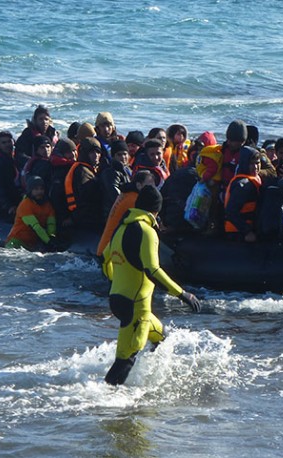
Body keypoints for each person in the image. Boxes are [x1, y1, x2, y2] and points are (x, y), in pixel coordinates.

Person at [102, 185, 201, 386]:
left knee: (161, 338)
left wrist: (115, 281)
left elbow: (105, 259)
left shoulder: (120, 228)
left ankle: (154, 385)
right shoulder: (146, 231)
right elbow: (152, 270)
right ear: (156, 210)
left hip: (117, 299)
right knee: (125, 359)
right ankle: (104, 401)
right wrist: (183, 294)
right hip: (136, 305)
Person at [96, 170, 156, 256]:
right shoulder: (134, 201)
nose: (153, 188)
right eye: (150, 185)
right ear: (139, 185)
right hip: (110, 253)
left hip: (106, 248)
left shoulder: (127, 194)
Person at [6, 175, 57, 252]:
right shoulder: (25, 205)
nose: (39, 192)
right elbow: (35, 226)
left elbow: (51, 224)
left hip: (32, 244)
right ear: (30, 190)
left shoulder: (48, 205)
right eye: (36, 189)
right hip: (16, 242)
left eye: (41, 189)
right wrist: (48, 241)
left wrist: (52, 237)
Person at [64, 137, 104, 230]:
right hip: (86, 221)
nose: (96, 155)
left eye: (98, 152)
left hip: (84, 218)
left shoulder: (90, 169)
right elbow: (86, 200)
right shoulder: (83, 172)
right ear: (85, 154)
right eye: (92, 152)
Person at [224, 147, 262, 242]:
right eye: (251, 163)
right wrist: (247, 232)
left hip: (248, 228)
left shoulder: (253, 179)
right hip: (237, 232)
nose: (255, 167)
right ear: (244, 164)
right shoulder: (243, 185)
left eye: (257, 163)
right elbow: (231, 212)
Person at [14, 105, 59, 171]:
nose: (44, 122)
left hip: (50, 164)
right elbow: (19, 155)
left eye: (46, 119)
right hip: (31, 167)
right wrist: (34, 162)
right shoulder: (28, 134)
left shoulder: (53, 134)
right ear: (35, 120)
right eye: (40, 119)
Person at [0, 131, 22, 220]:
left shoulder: (19, 158)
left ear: (13, 142)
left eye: (9, 141)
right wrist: (8, 206)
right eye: (4, 143)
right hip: (9, 204)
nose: (7, 145)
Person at [48, 138, 77, 229]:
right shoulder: (60, 169)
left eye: (74, 151)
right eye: (68, 152)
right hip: (64, 216)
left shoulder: (72, 166)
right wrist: (65, 217)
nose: (73, 154)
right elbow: (56, 195)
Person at [99, 140, 132, 219]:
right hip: (113, 213)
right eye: (119, 155)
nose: (123, 157)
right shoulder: (110, 172)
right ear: (113, 156)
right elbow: (115, 194)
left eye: (125, 154)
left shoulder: (127, 170)